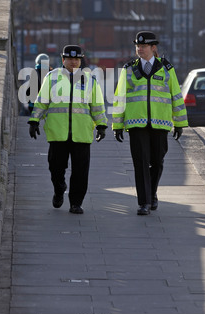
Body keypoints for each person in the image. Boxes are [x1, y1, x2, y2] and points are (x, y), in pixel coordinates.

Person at [112, 31, 188, 215]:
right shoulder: (129, 69)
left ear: (154, 48)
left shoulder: (167, 69)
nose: (139, 49)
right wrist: (117, 125)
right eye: (137, 46)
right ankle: (144, 202)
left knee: (157, 161)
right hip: (136, 124)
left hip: (160, 123)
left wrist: (179, 123)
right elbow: (120, 97)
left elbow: (176, 96)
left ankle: (152, 192)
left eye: (143, 46)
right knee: (141, 162)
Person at [28, 45, 108, 214]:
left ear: (81, 60)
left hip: (82, 132)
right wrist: (34, 120)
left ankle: (76, 203)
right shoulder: (52, 77)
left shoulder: (90, 80)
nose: (73, 62)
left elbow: (97, 106)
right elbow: (42, 101)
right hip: (58, 132)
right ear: (63, 59)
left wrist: (101, 125)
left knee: (80, 171)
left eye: (77, 59)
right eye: (70, 59)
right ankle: (59, 188)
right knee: (55, 167)